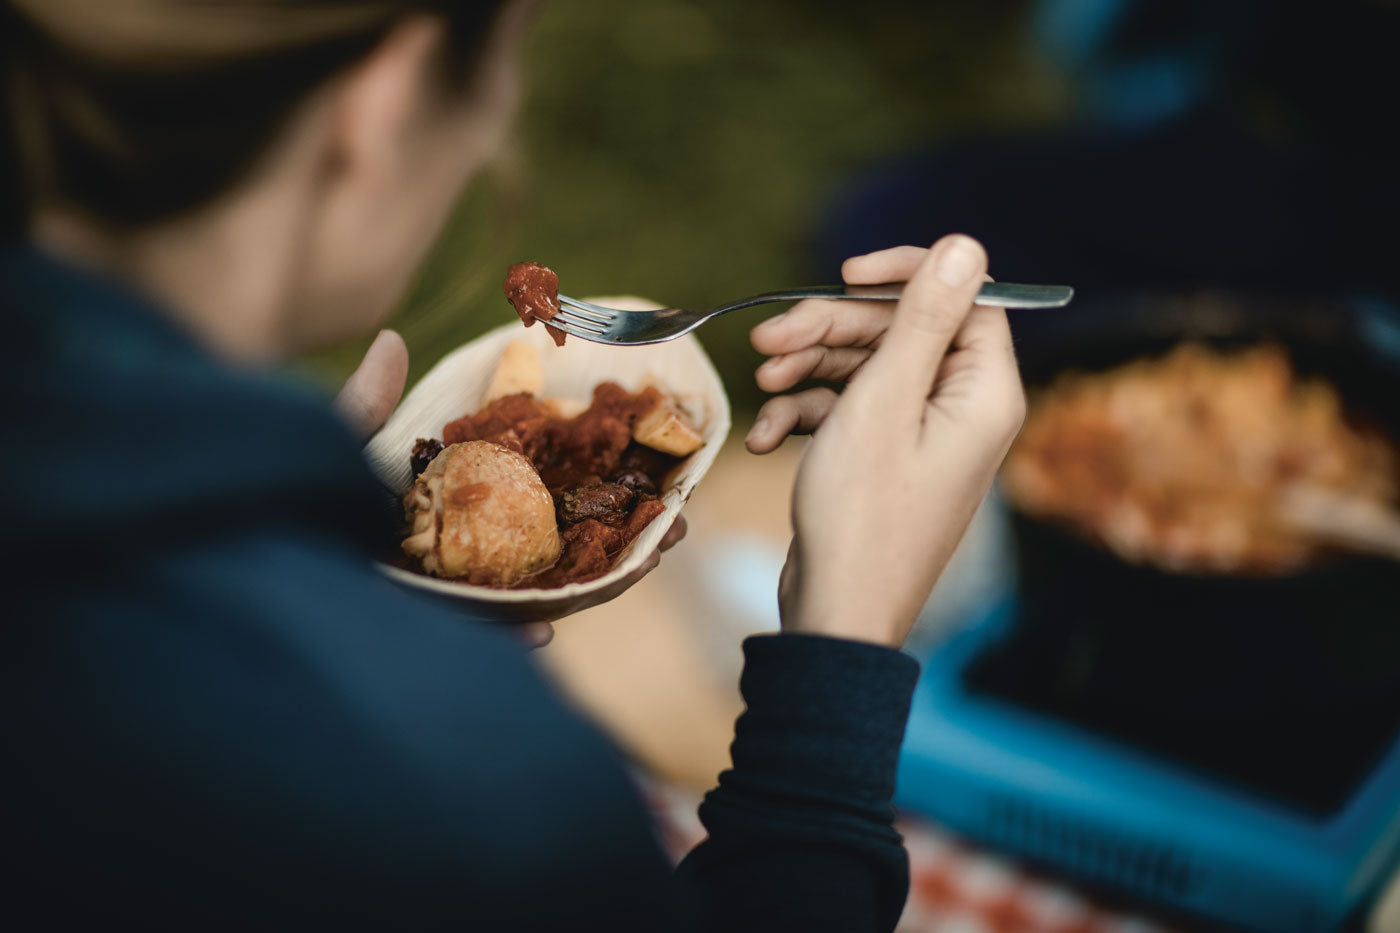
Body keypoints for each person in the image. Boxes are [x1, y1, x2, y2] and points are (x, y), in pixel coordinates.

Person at [0, 1, 1025, 930]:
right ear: (383, 97)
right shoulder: (469, 789)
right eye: (506, 67)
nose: (494, 134)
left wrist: (317, 579)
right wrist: (843, 647)